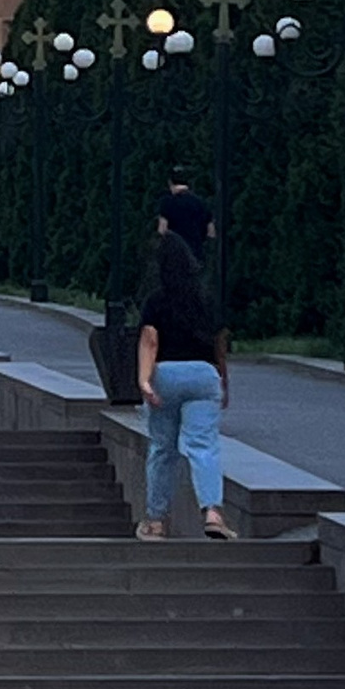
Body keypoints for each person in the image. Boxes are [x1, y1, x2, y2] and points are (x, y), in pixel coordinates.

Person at [136, 220, 232, 542]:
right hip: (204, 376)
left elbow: (150, 339)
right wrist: (223, 382)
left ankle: (156, 521)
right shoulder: (205, 299)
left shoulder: (156, 300)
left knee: (163, 448)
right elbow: (220, 343)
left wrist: (144, 381)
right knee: (204, 445)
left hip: (167, 374)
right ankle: (213, 512)